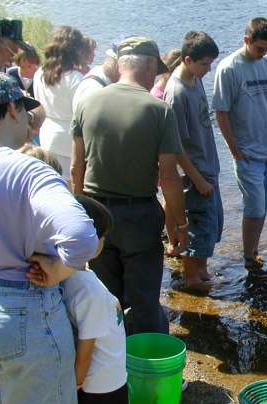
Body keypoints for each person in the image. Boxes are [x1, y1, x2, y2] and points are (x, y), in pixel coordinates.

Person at [0, 72, 98, 404]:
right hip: (24, 311)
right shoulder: (27, 170)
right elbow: (82, 237)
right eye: (26, 110)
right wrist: (59, 270)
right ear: (13, 108)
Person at [71, 36, 188, 335]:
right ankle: (149, 368)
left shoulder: (86, 103)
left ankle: (110, 367)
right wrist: (179, 225)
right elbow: (169, 178)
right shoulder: (159, 110)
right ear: (149, 65)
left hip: (96, 214)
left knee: (105, 298)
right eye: (155, 70)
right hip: (139, 217)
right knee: (145, 301)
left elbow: (76, 169)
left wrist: (78, 219)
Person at [63, 195, 129, 404]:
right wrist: (77, 381)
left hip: (98, 381)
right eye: (101, 235)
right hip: (103, 383)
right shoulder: (88, 289)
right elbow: (87, 343)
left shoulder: (74, 278)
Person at [212, 17, 267, 269]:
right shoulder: (229, 68)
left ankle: (253, 249)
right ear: (246, 40)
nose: (263, 53)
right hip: (247, 153)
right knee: (254, 206)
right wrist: (234, 150)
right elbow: (220, 112)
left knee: (264, 205)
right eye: (259, 48)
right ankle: (248, 256)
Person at [164, 31, 222, 291]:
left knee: (212, 223)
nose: (208, 70)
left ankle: (202, 269)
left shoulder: (194, 79)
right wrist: (197, 178)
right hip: (192, 172)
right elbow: (175, 147)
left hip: (208, 165)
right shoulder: (176, 93)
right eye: (204, 64)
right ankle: (190, 278)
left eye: (210, 64)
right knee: (197, 223)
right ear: (187, 59)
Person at [33, 26, 88, 177]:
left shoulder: (39, 73)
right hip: (68, 139)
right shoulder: (75, 78)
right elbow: (81, 115)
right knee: (70, 184)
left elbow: (38, 103)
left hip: (47, 132)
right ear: (75, 51)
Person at [72, 37, 121, 114]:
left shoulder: (91, 71)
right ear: (83, 54)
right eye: (92, 51)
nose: (94, 55)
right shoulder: (77, 78)